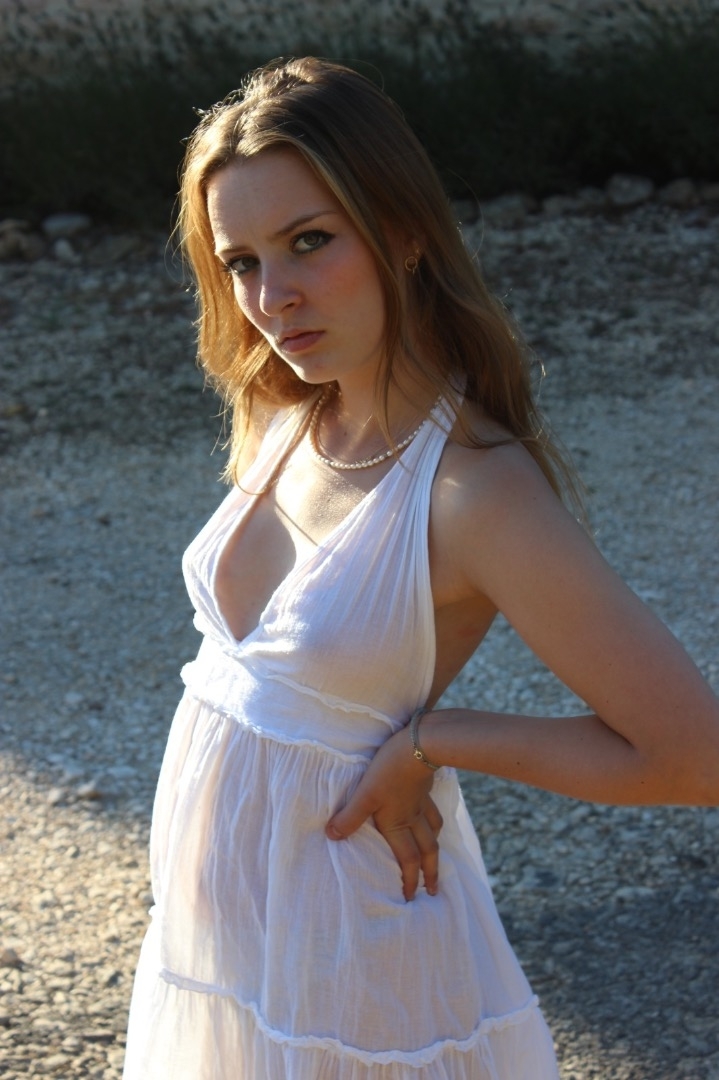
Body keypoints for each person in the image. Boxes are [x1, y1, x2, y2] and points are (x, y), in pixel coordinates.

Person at [122, 56, 719, 1080]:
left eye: (310, 241)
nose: (273, 297)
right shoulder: (290, 407)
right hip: (227, 955)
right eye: (242, 262)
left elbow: (691, 756)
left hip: (355, 974)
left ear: (402, 232)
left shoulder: (472, 493)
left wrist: (431, 741)